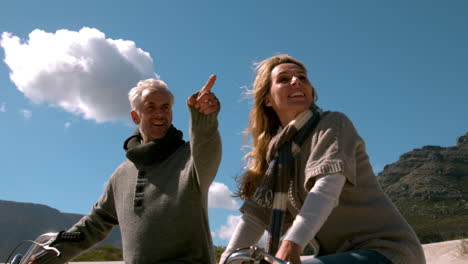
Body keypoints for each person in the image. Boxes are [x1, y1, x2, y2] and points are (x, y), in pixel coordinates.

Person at [219, 55, 425, 264]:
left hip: (387, 252)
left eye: (302, 77)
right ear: (268, 99)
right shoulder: (277, 157)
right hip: (336, 256)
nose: (296, 81)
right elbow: (256, 217)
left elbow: (327, 188)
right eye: (284, 79)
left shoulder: (332, 124)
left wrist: (291, 243)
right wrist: (226, 259)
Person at [33, 75, 222, 264]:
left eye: (165, 107)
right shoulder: (121, 175)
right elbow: (94, 225)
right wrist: (48, 257)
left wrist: (204, 118)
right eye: (150, 107)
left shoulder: (190, 158)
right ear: (135, 116)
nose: (160, 114)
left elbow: (207, 148)